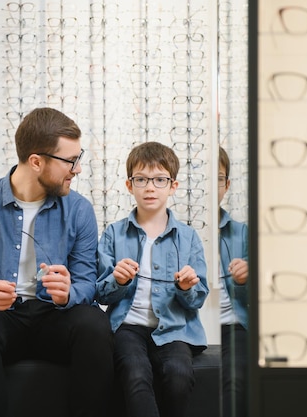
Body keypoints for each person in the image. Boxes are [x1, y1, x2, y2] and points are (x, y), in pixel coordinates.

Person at [0, 107, 114, 417]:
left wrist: (69, 293)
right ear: (36, 161)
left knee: (95, 325)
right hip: (2, 319)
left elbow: (88, 284)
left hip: (55, 317)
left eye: (79, 158)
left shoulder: (79, 210)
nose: (76, 169)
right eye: (70, 161)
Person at [96, 141, 209, 417]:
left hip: (174, 328)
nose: (149, 187)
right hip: (127, 327)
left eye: (160, 180)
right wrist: (118, 281)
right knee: (135, 374)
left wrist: (186, 288)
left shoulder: (188, 237)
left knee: (179, 373)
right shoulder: (114, 234)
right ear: (128, 184)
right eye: (141, 179)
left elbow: (198, 298)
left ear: (173, 186)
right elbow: (100, 293)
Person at [218, 146, 248, 417]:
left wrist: (247, 277)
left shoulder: (241, 232)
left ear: (226, 185)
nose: (211, 185)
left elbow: (261, 294)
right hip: (184, 325)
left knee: (235, 378)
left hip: (232, 323)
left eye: (217, 178)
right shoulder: (174, 229)